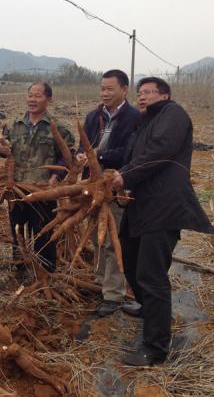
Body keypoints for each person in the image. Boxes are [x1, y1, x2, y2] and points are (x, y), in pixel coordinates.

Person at [112, 77, 214, 366]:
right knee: (130, 260)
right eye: (139, 93)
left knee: (152, 275)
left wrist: (124, 177)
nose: (141, 97)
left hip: (164, 208)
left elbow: (156, 154)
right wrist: (126, 189)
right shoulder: (144, 123)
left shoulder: (174, 115)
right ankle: (147, 308)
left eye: (147, 93)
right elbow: (134, 158)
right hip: (140, 206)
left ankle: (155, 347)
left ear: (165, 95)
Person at [76, 70, 142, 317]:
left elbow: (130, 152)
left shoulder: (134, 117)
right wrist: (80, 155)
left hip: (116, 185)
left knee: (114, 239)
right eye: (102, 88)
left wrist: (97, 156)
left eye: (110, 89)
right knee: (96, 237)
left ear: (124, 90)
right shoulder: (94, 116)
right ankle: (102, 282)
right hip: (93, 186)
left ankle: (113, 295)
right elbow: (82, 145)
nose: (104, 93)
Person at [0, 81, 75, 272]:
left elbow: (68, 157)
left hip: (43, 190)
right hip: (17, 189)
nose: (32, 99)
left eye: (38, 95)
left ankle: (46, 275)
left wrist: (57, 175)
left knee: (43, 235)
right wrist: (0, 149)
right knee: (18, 234)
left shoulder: (59, 128)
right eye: (30, 95)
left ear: (49, 99)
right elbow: (2, 149)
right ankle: (20, 271)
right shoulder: (14, 125)